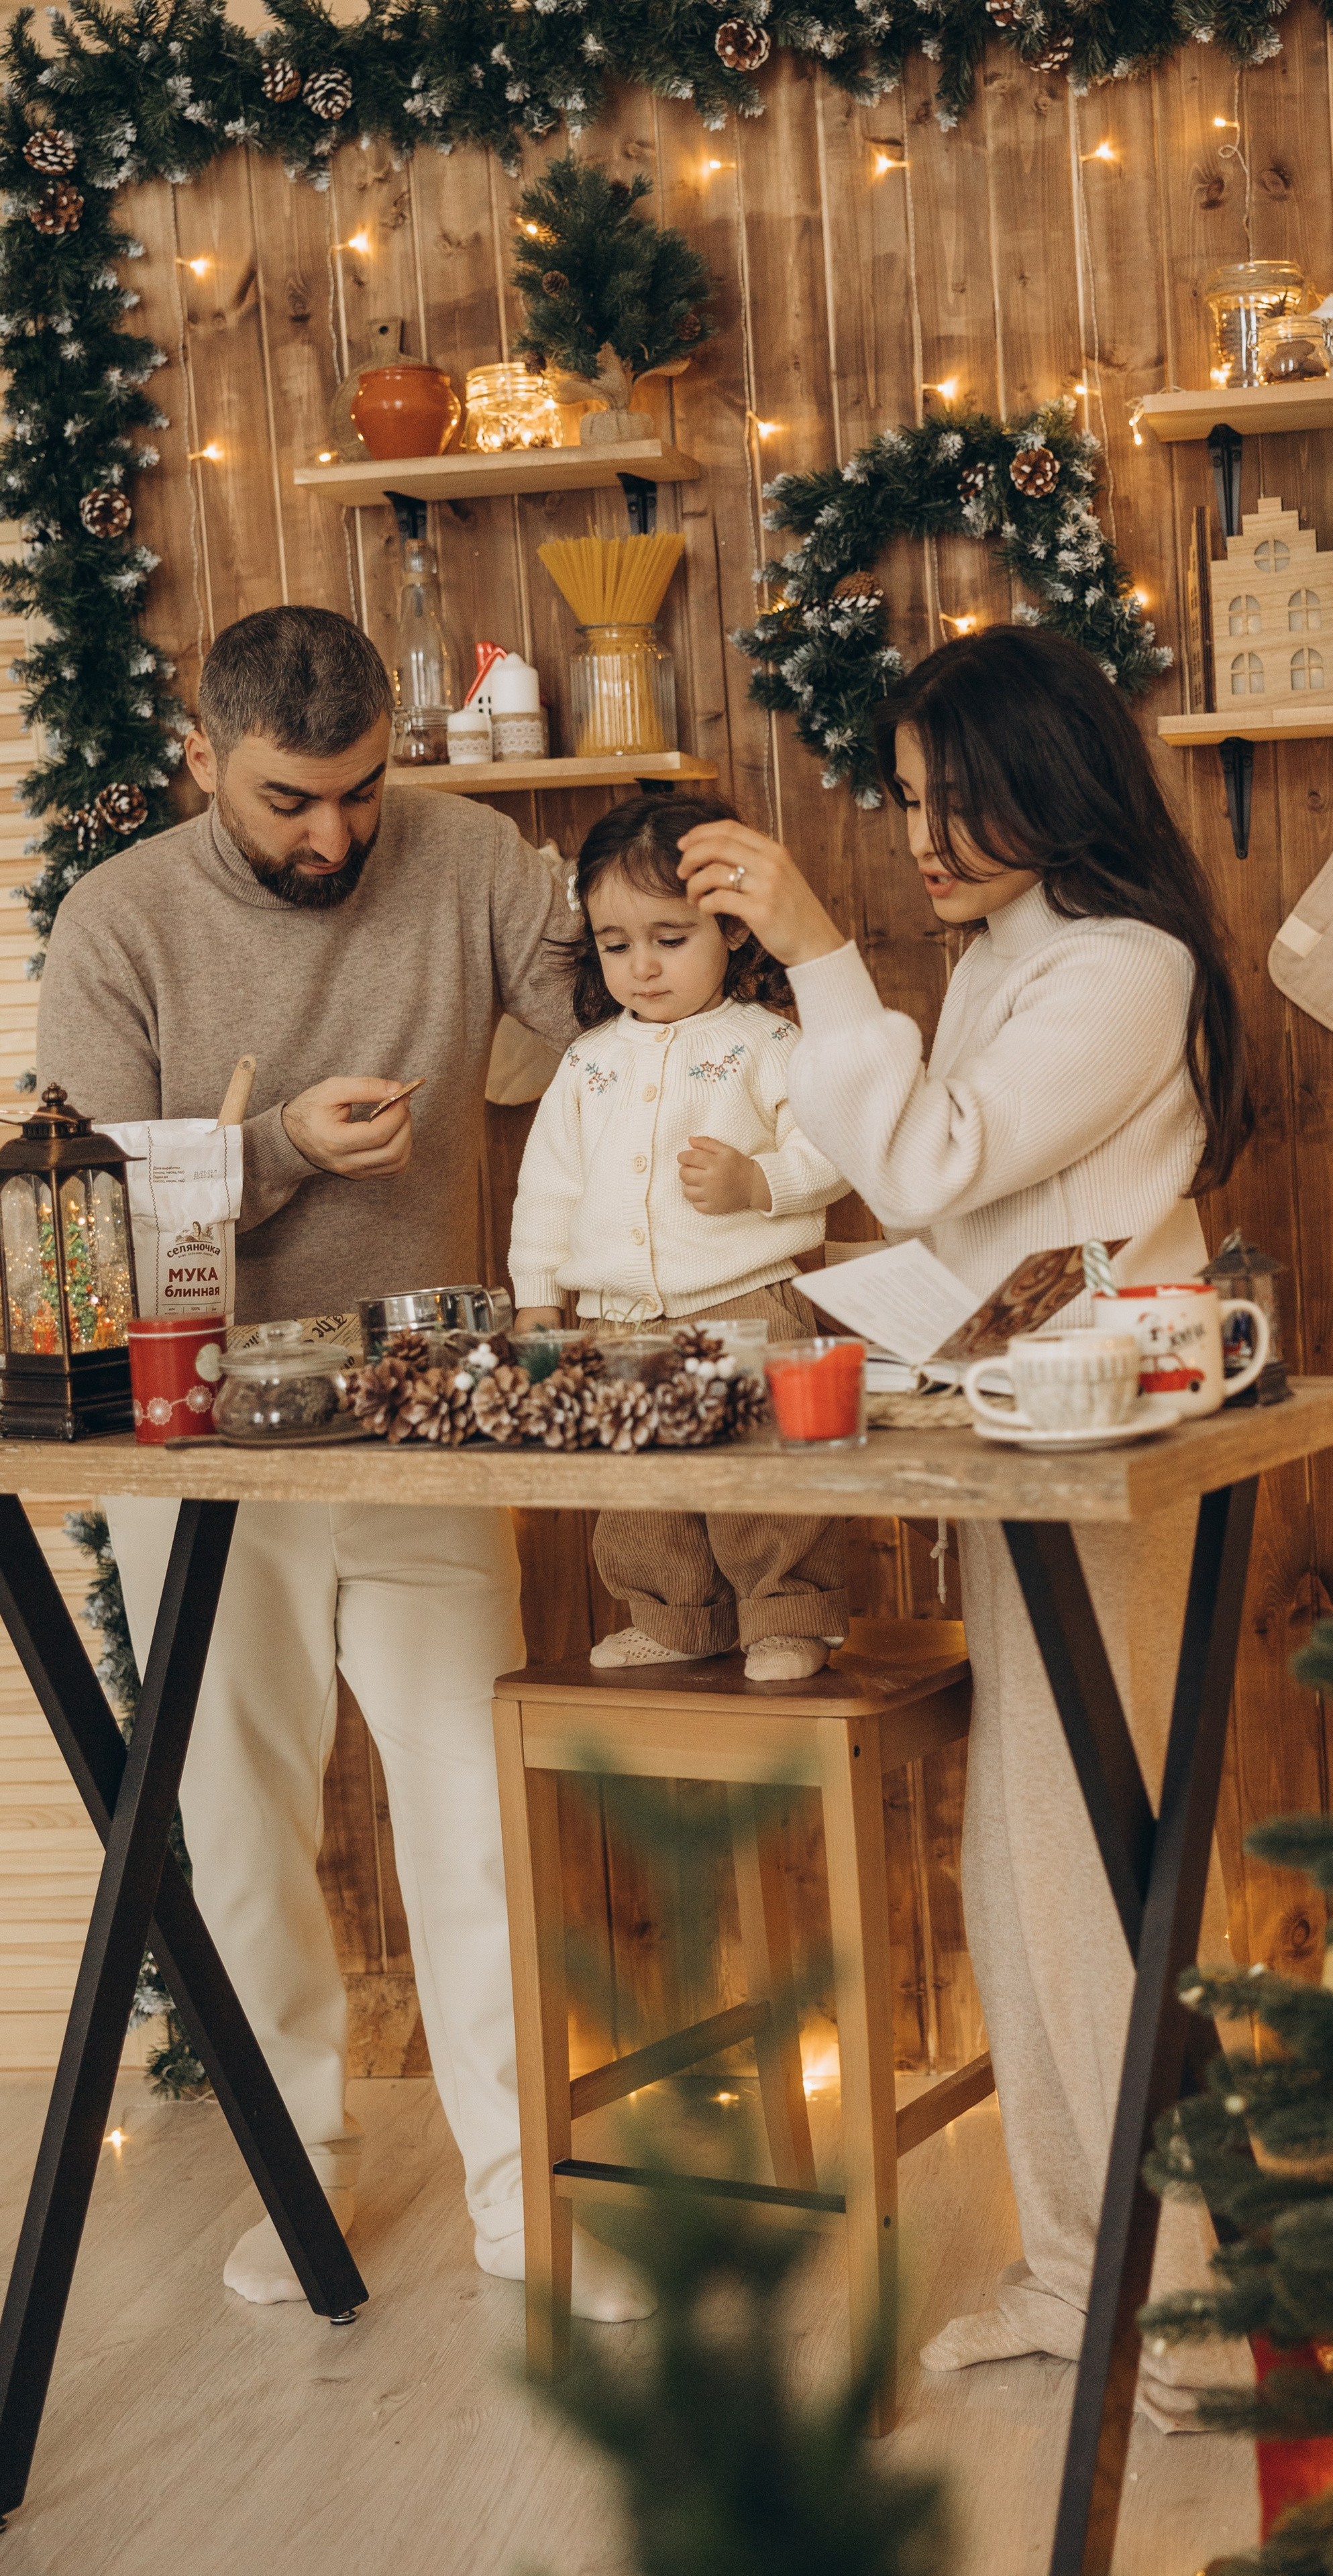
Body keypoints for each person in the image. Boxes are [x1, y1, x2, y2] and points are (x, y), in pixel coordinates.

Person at [36, 606, 646, 2321]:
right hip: (205, 1438)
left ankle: (531, 2209)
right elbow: (79, 1216)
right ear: (202, 760)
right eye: (289, 802)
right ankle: (295, 2176)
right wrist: (271, 1154)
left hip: (428, 1415)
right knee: (233, 1832)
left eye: (360, 791)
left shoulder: (465, 857)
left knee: (479, 1821)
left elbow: (613, 1024)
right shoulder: (120, 918)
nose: (332, 834)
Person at [676, 627, 1256, 2420]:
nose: (922, 837)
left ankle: (1166, 2310)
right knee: (1024, 1867)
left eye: (957, 799)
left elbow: (930, 1165)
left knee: (1083, 1870)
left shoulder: (1128, 969)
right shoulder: (1014, 957)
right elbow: (949, 1212)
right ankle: (1087, 2267)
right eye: (909, 801)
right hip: (1016, 1441)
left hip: (1110, 1448)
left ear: (1050, 779)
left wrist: (817, 948)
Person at [511, 794, 850, 1680]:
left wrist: (758, 1182)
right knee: (639, 1486)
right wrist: (538, 1303)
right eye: (617, 946)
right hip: (616, 1323)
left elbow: (835, 1148)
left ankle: (787, 1616)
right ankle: (672, 1617)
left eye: (670, 939)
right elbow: (546, 1191)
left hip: (745, 1304)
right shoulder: (587, 1064)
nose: (642, 969)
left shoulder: (766, 1044)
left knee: (763, 1479)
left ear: (732, 929)